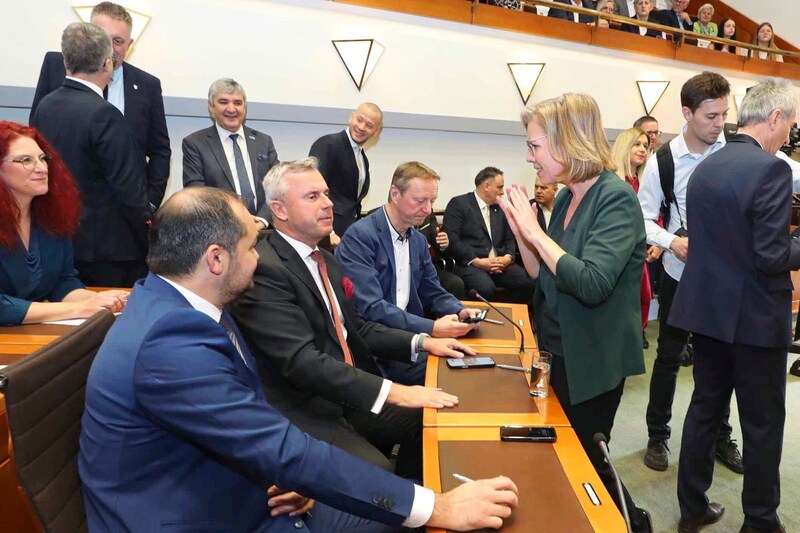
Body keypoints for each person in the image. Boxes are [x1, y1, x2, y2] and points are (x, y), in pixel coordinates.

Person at [79, 185, 518, 532]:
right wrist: (435, 507)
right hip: (198, 514)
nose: (258, 258)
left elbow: (242, 424)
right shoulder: (171, 339)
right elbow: (281, 444)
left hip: (240, 485)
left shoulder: (183, 307)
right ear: (215, 259)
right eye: (252, 247)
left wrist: (278, 472)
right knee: (402, 519)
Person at [230, 159, 477, 480]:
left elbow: (358, 328)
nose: (328, 203)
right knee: (380, 473)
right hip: (308, 406)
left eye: (326, 194)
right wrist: (394, 391)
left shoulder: (325, 262)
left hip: (345, 392)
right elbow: (302, 362)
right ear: (279, 209)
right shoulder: (265, 268)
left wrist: (424, 342)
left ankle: (418, 501)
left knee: (431, 419)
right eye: (312, 196)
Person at [501, 93, 652, 533]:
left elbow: (590, 283)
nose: (529, 157)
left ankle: (632, 524)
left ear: (568, 141)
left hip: (592, 358)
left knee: (587, 459)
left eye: (535, 146)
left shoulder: (616, 197)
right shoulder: (567, 198)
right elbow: (545, 277)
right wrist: (524, 237)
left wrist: (535, 232)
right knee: (564, 454)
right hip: (555, 347)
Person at [671, 77, 799, 533]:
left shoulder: (706, 165)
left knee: (705, 409)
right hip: (755, 320)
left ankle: (692, 508)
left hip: (707, 313)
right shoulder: (772, 169)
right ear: (775, 117)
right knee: (762, 424)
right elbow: (770, 257)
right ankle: (760, 522)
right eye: (791, 125)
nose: (790, 136)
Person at [637, 71, 742, 474]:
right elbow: (643, 219)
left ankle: (720, 437)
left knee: (720, 362)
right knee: (668, 357)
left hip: (725, 277)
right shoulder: (662, 160)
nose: (720, 124)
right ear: (687, 112)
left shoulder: (732, 150)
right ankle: (657, 436)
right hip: (680, 273)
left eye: (723, 115)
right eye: (711, 116)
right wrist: (671, 241)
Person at [336, 162, 481, 384]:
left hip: (408, 338)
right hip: (376, 348)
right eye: (420, 201)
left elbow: (432, 289)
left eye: (432, 201)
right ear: (395, 194)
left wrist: (459, 310)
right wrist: (432, 328)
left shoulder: (418, 240)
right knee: (457, 375)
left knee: (469, 363)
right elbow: (371, 308)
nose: (429, 210)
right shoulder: (361, 237)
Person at [31, 22, 151, 288]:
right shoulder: (105, 115)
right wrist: (151, 238)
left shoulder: (44, 107)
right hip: (109, 252)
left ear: (66, 62)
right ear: (107, 64)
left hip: (57, 240)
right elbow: (129, 191)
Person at [29, 2, 170, 209]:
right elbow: (36, 132)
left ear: (130, 44)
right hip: (59, 203)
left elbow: (160, 150)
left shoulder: (148, 85)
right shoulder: (56, 65)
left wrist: (150, 202)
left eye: (118, 41)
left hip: (123, 212)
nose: (109, 48)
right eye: (102, 37)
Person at [0, 121, 128, 326]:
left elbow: (62, 281)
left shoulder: (51, 217)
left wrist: (97, 300)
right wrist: (79, 308)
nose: (42, 168)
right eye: (26, 160)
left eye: (43, 158)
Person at [182, 78, 279, 222]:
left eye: (238, 103)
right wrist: (239, 222)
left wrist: (261, 221)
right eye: (223, 102)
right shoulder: (195, 143)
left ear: (244, 108)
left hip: (264, 229)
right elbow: (197, 194)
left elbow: (278, 186)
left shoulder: (264, 141)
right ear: (210, 106)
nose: (231, 109)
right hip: (221, 229)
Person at [443, 167, 535, 302]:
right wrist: (477, 261)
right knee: (485, 288)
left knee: (530, 283)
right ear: (486, 186)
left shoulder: (501, 207)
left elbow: (510, 238)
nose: (502, 192)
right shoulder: (459, 204)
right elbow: (453, 240)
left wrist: (508, 258)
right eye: (499, 187)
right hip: (472, 264)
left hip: (500, 264)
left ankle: (513, 318)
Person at [309, 103, 383, 241]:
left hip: (348, 234)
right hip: (327, 234)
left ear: (376, 131)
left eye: (369, 125)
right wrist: (329, 233)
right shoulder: (328, 144)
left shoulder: (362, 158)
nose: (361, 127)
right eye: (359, 120)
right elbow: (314, 190)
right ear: (351, 117)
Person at [612, 128, 657, 349]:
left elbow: (656, 215)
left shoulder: (646, 182)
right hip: (615, 254)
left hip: (639, 255)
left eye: (645, 146)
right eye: (636, 144)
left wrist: (659, 244)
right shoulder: (610, 182)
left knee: (643, 299)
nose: (642, 149)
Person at [415, 212, 466, 299]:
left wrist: (443, 244)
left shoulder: (428, 214)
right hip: (403, 270)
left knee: (455, 284)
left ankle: (455, 311)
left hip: (426, 269)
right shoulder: (396, 217)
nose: (427, 208)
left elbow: (437, 241)